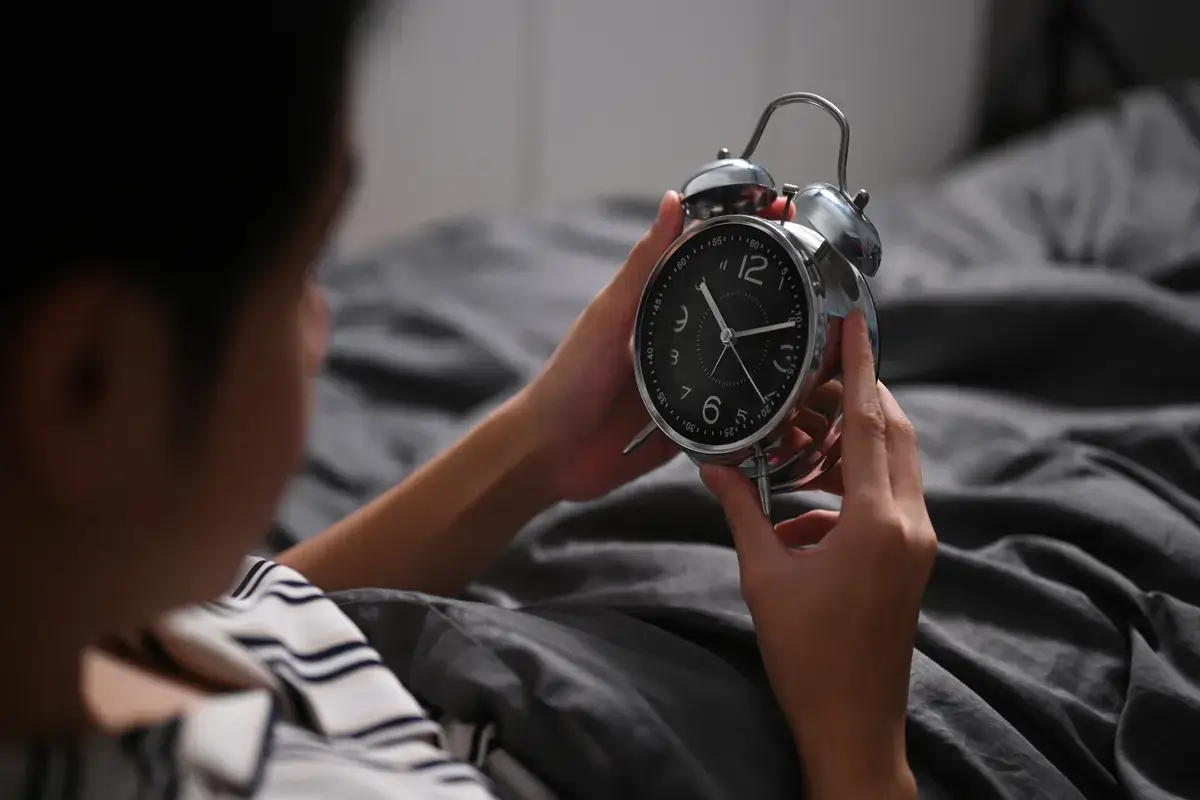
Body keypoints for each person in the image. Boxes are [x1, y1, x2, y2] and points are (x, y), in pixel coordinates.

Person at [0, 2, 937, 798]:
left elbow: (227, 627)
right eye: (301, 269)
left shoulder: (54, 636)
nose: (324, 323)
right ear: (90, 383)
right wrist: (862, 747)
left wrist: (536, 445)